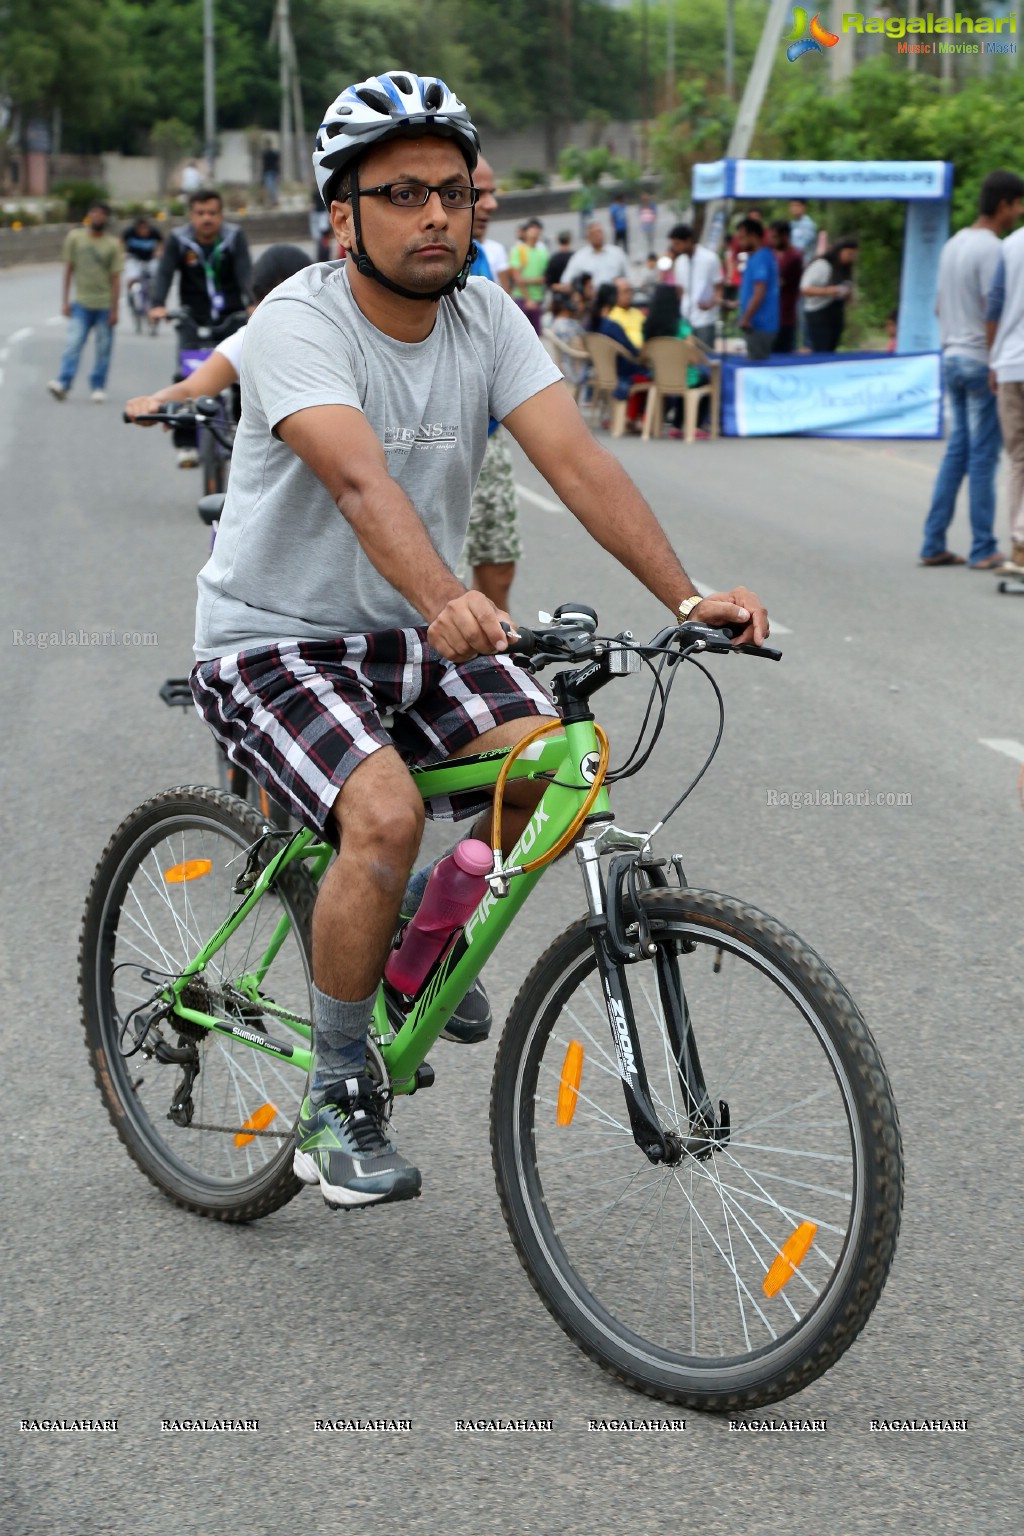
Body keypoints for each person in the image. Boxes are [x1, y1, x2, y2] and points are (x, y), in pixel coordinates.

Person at [187, 68, 767, 1210]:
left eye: (451, 191)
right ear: (341, 212)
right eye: (400, 193)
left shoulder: (489, 317)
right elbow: (357, 480)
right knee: (389, 815)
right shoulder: (295, 320)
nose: (435, 215)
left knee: (554, 766)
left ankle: (408, 940)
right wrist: (449, 594)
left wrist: (684, 592)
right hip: (273, 640)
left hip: (406, 638)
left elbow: (579, 465)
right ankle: (339, 1092)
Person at [919, 173, 1024, 568]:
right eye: (1017, 204)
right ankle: (983, 547)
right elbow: (992, 308)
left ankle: (933, 541)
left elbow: (938, 307)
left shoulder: (953, 244)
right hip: (981, 360)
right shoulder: (993, 249)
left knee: (957, 452)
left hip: (951, 355)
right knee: (984, 456)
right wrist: (995, 355)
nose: (1019, 212)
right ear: (1003, 205)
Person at [124, 245, 313, 422]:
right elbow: (191, 388)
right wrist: (153, 403)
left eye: (287, 302)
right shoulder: (249, 340)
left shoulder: (335, 336)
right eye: (264, 302)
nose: (270, 314)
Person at [148, 188, 253, 466]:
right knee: (186, 378)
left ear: (221, 215)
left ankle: (245, 436)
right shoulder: (178, 241)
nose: (207, 218)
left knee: (242, 377)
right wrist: (157, 303)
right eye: (200, 213)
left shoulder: (233, 238)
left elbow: (246, 273)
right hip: (191, 318)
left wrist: (253, 302)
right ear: (191, 215)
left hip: (231, 317)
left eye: (212, 213)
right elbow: (164, 273)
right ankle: (185, 444)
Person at [463, 154, 522, 610]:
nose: (490, 204)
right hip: (425, 439)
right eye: (476, 193)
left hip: (488, 434)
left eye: (491, 192)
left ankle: (496, 663)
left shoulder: (483, 260)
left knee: (498, 562)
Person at [47, 200, 122, 403]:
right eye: (94, 213)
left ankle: (98, 386)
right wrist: (65, 301)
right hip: (81, 303)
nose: (97, 217)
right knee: (73, 345)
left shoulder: (112, 244)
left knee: (103, 349)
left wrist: (115, 310)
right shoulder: (75, 238)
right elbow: (68, 269)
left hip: (104, 305)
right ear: (89, 215)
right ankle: (64, 382)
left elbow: (116, 279)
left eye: (102, 214)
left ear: (106, 218)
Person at [988, 220, 1024, 576]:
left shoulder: (1012, 244)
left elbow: (994, 306)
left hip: (1012, 362)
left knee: (1018, 459)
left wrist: (993, 359)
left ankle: (1020, 545)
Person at [642, 282, 711, 438]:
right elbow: (693, 357)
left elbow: (644, 355)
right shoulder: (682, 327)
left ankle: (676, 426)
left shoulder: (648, 327)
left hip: (658, 376)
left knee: (685, 380)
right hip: (683, 377)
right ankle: (695, 425)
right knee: (702, 379)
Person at [668, 222, 723, 349]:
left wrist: (711, 303)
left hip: (705, 318)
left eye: (678, 243)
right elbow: (680, 289)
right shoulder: (680, 262)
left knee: (705, 358)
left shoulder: (710, 258)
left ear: (688, 240)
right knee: (688, 358)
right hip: (686, 319)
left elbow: (719, 287)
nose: (675, 248)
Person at [800, 237, 858, 353]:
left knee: (831, 349)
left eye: (854, 255)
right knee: (821, 350)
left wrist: (848, 295)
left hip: (835, 313)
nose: (851, 258)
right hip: (818, 313)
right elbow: (805, 289)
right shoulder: (822, 265)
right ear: (840, 251)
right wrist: (831, 291)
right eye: (849, 254)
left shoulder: (845, 269)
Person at [735, 216, 779, 360]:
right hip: (757, 324)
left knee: (757, 363)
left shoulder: (761, 258)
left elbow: (759, 292)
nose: (740, 242)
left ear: (753, 236)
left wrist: (746, 319)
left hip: (760, 325)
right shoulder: (757, 257)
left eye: (742, 238)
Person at [557, 222, 629, 292]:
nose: (597, 235)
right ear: (588, 237)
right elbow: (566, 280)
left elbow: (629, 277)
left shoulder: (617, 253)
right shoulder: (579, 257)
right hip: (591, 300)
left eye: (599, 232)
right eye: (593, 234)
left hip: (614, 298)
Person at [507, 217, 548, 333]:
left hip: (538, 299)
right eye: (532, 228)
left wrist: (526, 280)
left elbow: (545, 278)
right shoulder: (519, 250)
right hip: (522, 299)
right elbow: (516, 277)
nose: (534, 231)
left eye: (537, 229)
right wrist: (528, 299)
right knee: (520, 334)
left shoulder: (543, 253)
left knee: (537, 337)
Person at [769, 220, 803, 355]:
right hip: (770, 316)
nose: (772, 241)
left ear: (785, 236)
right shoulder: (772, 255)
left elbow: (778, 283)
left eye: (775, 237)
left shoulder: (794, 257)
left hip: (785, 316)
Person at [121, 214, 163, 310]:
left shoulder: (154, 232)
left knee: (157, 276)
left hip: (149, 258)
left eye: (145, 228)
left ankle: (154, 298)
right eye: (141, 228)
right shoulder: (130, 232)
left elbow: (161, 242)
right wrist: (123, 253)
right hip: (134, 259)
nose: (143, 230)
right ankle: (130, 295)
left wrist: (159, 251)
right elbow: (121, 242)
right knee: (132, 276)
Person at [607, 277, 645, 350]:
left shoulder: (637, 312)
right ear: (615, 294)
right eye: (625, 291)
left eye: (630, 290)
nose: (629, 294)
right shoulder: (610, 316)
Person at [638, 192, 657, 257]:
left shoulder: (651, 205)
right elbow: (640, 214)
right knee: (644, 240)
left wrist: (653, 219)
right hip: (644, 225)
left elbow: (654, 213)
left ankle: (651, 252)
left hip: (650, 224)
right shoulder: (641, 205)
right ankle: (646, 253)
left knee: (651, 239)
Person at [261, 141, 280, 207]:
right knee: (274, 188)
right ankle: (274, 201)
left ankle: (272, 202)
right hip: (274, 171)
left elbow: (264, 165)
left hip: (268, 172)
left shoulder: (265, 154)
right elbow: (277, 164)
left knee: (270, 188)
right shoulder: (275, 154)